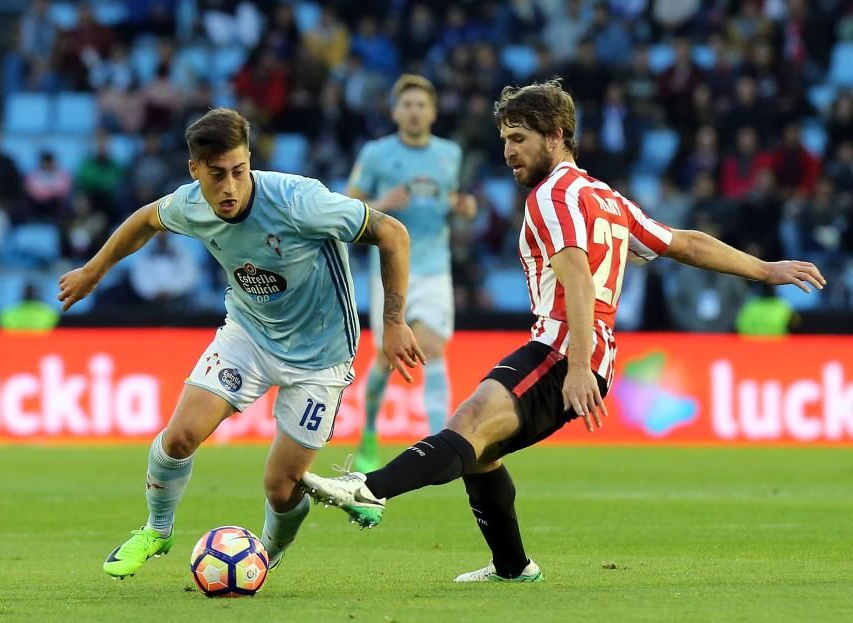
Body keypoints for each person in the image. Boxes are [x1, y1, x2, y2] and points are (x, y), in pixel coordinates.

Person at [301, 80, 826, 583]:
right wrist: (765, 269)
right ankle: (513, 567)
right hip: (579, 351)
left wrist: (576, 366)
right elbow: (682, 242)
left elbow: (575, 272)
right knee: (482, 449)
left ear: (555, 136)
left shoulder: (552, 197)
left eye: (519, 139)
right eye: (504, 139)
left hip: (563, 350)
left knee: (470, 421)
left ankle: (367, 488)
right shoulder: (601, 195)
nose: (508, 152)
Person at [57, 108, 423, 579]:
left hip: (321, 356)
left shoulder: (298, 201)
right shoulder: (190, 205)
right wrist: (92, 271)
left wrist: (393, 321)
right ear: (195, 171)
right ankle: (156, 529)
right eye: (216, 175)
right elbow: (145, 220)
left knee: (280, 485)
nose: (229, 187)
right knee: (180, 436)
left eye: (238, 171)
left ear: (249, 160)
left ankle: (266, 554)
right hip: (248, 334)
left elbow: (393, 232)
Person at [346, 74, 476, 472]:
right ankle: (369, 433)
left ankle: (443, 447)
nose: (415, 111)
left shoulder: (449, 154)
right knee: (388, 358)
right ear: (395, 111)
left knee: (433, 348)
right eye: (408, 105)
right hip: (390, 271)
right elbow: (347, 205)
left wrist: (463, 208)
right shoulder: (376, 153)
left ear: (433, 112)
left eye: (422, 105)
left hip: (435, 269)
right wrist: (381, 202)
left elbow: (453, 201)